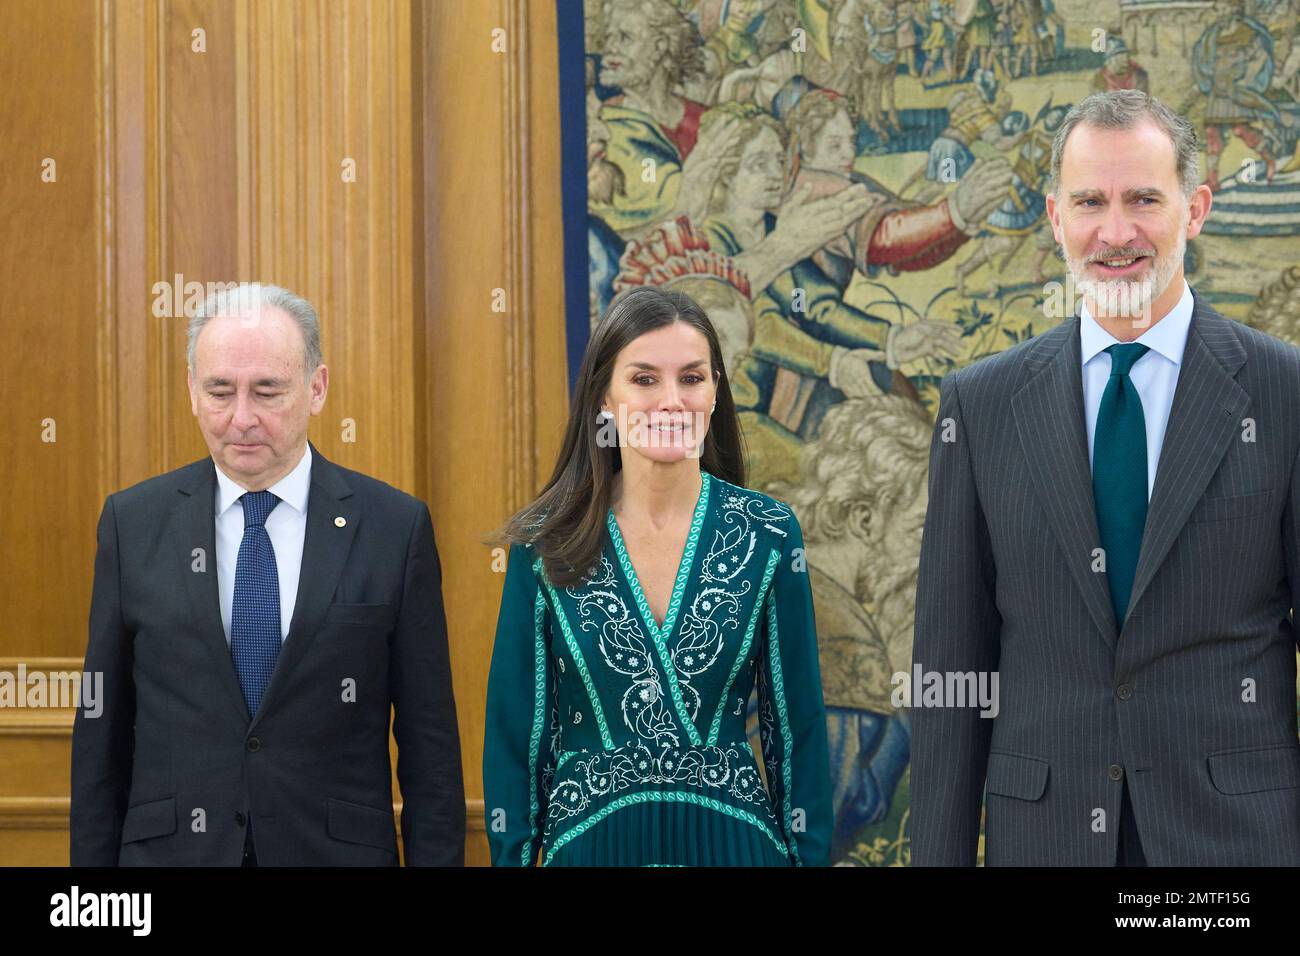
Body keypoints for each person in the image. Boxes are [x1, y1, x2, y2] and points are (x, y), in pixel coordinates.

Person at [910, 90, 1300, 867]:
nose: (1115, 232)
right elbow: (952, 672)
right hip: (1045, 839)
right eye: (1090, 202)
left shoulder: (1282, 392)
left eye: (1143, 200)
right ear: (1055, 217)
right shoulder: (980, 406)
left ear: (1195, 209)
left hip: (1233, 851)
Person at [70, 283, 465, 866]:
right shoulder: (133, 523)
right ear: (191, 390)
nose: (242, 419)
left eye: (267, 391)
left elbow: (429, 741)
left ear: (317, 388)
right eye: (220, 391)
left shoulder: (393, 527)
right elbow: (101, 732)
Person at [483, 285, 832, 866]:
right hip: (591, 849)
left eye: (692, 378)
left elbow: (798, 728)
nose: (672, 400)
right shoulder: (545, 541)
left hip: (737, 849)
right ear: (603, 396)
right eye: (644, 379)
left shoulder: (769, 533)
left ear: (717, 391)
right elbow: (516, 736)